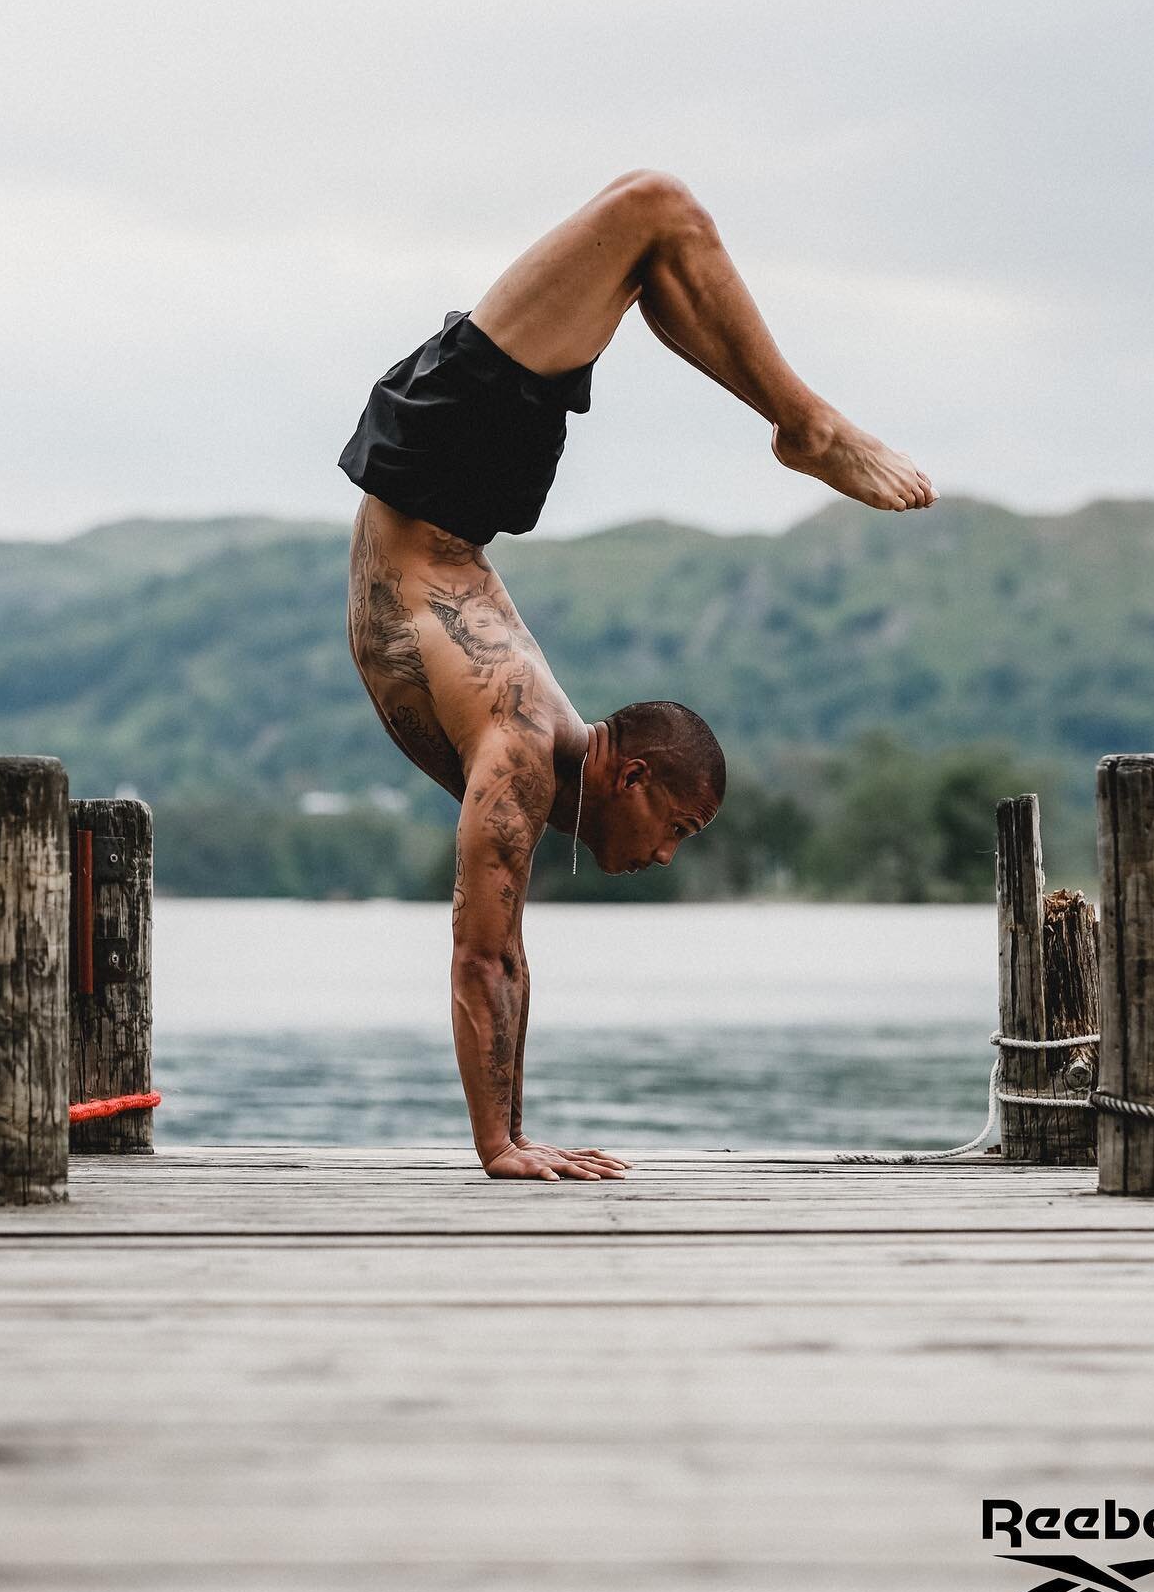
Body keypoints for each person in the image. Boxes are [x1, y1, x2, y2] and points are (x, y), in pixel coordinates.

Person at [341, 171, 937, 1182]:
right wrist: (500, 1146)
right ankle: (810, 426)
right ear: (630, 777)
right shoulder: (525, 747)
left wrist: (516, 1139)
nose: (668, 856)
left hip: (449, 486)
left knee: (651, 267)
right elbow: (480, 954)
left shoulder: (531, 753)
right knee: (655, 212)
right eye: (679, 826)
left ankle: (799, 425)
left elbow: (508, 954)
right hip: (441, 465)